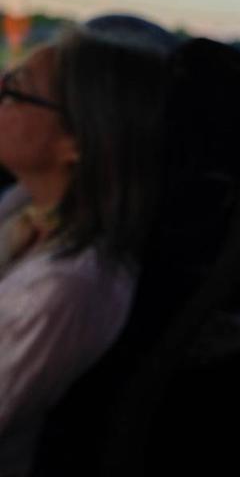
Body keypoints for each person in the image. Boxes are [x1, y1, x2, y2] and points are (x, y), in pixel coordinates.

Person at [0, 27, 166, 474]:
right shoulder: (25, 206)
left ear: (74, 142)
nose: (1, 91)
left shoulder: (66, 289)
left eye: (16, 89)